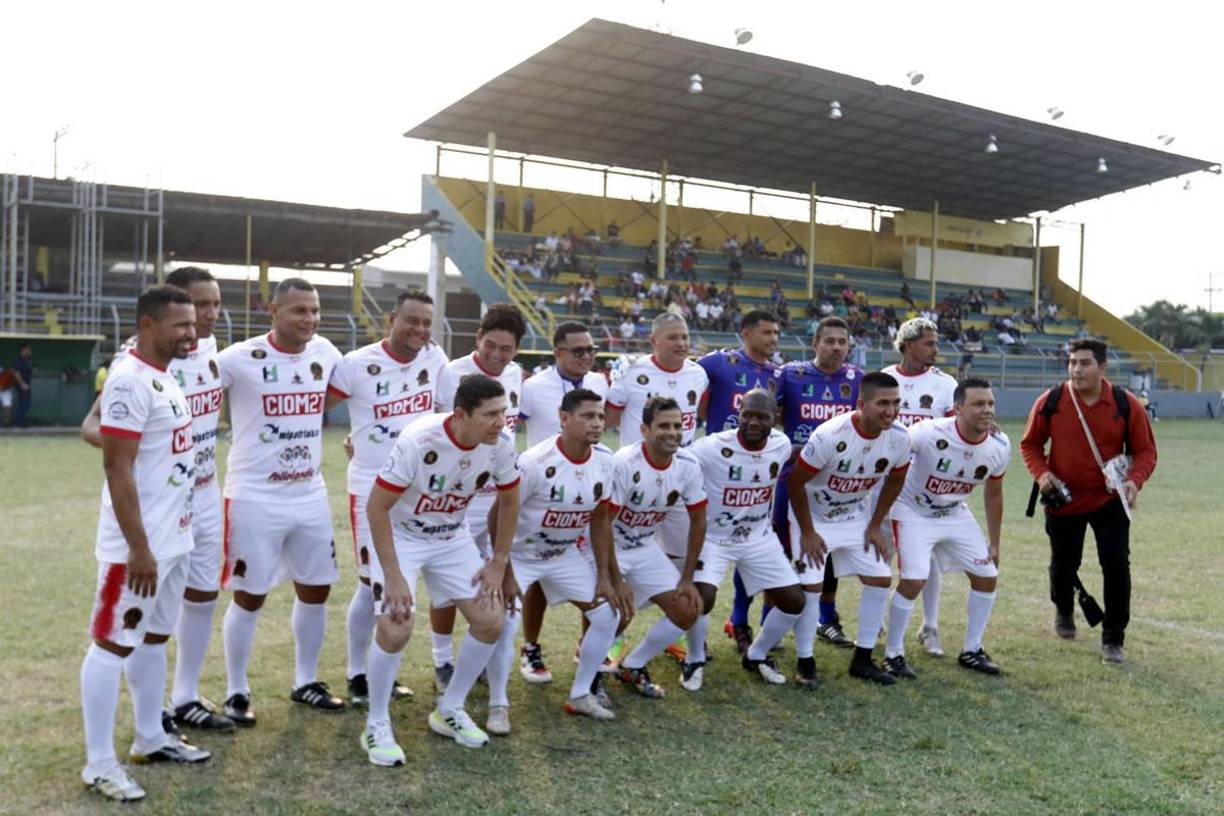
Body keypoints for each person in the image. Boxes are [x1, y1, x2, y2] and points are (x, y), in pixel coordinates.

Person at [82, 267, 235, 732]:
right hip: (154, 502)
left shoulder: (207, 352)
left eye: (213, 305)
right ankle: (134, 733)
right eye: (196, 306)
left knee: (201, 596)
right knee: (123, 629)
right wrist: (134, 447)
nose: (206, 317)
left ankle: (183, 696)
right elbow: (95, 426)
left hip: (200, 498)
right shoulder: (135, 363)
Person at [80, 285, 209, 803]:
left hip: (172, 539)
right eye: (180, 324)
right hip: (137, 547)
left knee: (154, 638)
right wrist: (138, 547)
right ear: (148, 326)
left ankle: (151, 736)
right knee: (112, 643)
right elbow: (117, 464)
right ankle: (98, 763)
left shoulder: (163, 375)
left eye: (193, 322)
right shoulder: (130, 380)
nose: (191, 332)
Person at [361, 375, 520, 762]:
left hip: (451, 537)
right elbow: (376, 508)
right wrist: (395, 574)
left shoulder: (501, 444)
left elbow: (511, 501)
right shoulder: (420, 440)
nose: (501, 422)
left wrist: (498, 562)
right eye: (491, 414)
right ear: (461, 414)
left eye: (504, 412)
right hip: (403, 536)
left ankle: (449, 709)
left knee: (490, 619)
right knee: (397, 625)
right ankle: (376, 723)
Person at [216, 278, 346, 725]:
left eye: (314, 310)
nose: (309, 319)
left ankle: (305, 681)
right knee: (250, 594)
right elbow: (198, 392)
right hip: (254, 495)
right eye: (299, 311)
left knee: (316, 588)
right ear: (274, 311)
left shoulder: (326, 353)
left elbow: (339, 397)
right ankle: (236, 691)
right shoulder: (237, 358)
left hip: (308, 492)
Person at [325, 290, 448, 708]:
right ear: (391, 319)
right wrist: (354, 437)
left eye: (427, 323)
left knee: (400, 582)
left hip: (420, 490)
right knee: (369, 584)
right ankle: (357, 673)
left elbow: (446, 412)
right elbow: (316, 409)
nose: (420, 330)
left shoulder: (436, 359)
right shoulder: (356, 364)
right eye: (412, 320)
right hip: (371, 488)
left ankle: (381, 673)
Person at [485, 389, 632, 733]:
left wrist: (606, 576)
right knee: (503, 623)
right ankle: (498, 704)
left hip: (563, 553)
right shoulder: (536, 461)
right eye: (588, 416)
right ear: (564, 419)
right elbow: (498, 515)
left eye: (600, 416)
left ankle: (581, 694)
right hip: (520, 555)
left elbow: (599, 519)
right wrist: (503, 569)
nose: (597, 423)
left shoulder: (605, 461)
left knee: (608, 614)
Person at [1020, 338, 1157, 665]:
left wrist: (1135, 482)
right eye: (1072, 363)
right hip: (1063, 499)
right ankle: (1064, 609)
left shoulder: (1126, 404)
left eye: (1084, 363)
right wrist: (1042, 475)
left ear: (1102, 367)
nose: (1076, 369)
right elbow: (1031, 445)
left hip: (1109, 501)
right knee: (1064, 565)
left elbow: (1146, 451)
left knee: (1116, 565)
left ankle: (1113, 638)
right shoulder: (1051, 401)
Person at [786, 372, 912, 686]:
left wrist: (873, 524)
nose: (891, 411)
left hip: (853, 518)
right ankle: (805, 661)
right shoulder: (831, 434)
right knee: (811, 586)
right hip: (812, 518)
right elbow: (796, 482)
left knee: (880, 578)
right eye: (883, 403)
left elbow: (895, 481)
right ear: (861, 404)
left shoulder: (899, 437)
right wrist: (807, 532)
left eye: (896, 403)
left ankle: (863, 659)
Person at [883, 378, 1009, 679]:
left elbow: (994, 494)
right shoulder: (929, 432)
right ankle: (892, 653)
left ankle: (972, 649)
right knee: (913, 579)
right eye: (978, 404)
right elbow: (894, 443)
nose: (987, 410)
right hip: (913, 511)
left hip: (954, 513)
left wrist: (995, 543)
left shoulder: (1000, 445)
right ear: (958, 408)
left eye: (990, 404)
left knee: (987, 575)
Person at [429, 304, 526, 691]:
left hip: (497, 498)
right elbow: (437, 432)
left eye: (506, 348)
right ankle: (441, 661)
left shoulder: (516, 376)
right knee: (447, 588)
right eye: (491, 346)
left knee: (493, 579)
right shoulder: (452, 374)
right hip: (458, 498)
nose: (497, 356)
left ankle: (482, 660)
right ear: (477, 339)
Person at [763, 317, 864, 659]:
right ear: (815, 344)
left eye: (842, 341)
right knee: (778, 551)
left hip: (837, 483)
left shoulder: (857, 380)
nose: (837, 346)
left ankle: (827, 618)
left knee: (830, 552)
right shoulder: (791, 374)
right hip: (791, 478)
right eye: (830, 340)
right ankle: (769, 622)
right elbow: (768, 414)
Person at [515, 322, 610, 683]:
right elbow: (510, 425)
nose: (586, 357)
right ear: (557, 353)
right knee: (538, 574)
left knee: (591, 568)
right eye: (578, 351)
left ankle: (588, 647)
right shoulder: (534, 387)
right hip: (544, 498)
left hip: (587, 491)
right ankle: (531, 647)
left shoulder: (600, 383)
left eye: (591, 350)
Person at [688, 389, 801, 686]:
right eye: (747, 415)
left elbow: (802, 454)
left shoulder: (781, 443)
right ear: (738, 415)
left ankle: (757, 655)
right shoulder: (711, 447)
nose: (752, 422)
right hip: (714, 537)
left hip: (758, 537)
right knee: (702, 599)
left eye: (761, 417)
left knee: (793, 601)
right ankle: (694, 658)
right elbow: (680, 464)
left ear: (775, 420)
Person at [603, 397, 708, 695]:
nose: (672, 432)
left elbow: (699, 521)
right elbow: (602, 525)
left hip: (645, 547)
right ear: (645, 429)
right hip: (611, 546)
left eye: (678, 425)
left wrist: (687, 579)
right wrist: (615, 578)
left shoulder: (687, 465)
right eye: (663, 425)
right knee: (611, 613)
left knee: (687, 609)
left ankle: (633, 666)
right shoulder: (624, 462)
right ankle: (592, 676)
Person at [696, 311, 787, 651]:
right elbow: (692, 393)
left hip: (755, 470)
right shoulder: (718, 363)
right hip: (715, 469)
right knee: (700, 552)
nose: (774, 339)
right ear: (745, 333)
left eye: (777, 332)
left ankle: (739, 620)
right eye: (767, 332)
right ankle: (693, 634)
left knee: (749, 539)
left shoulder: (780, 374)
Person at [882, 317, 958, 659]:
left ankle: (929, 627)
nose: (935, 349)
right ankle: (879, 618)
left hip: (924, 488)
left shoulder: (946, 384)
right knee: (881, 553)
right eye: (929, 343)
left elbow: (957, 430)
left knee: (926, 559)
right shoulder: (885, 379)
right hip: (884, 482)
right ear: (908, 345)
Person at [12, 342, 33, 427]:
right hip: (21, 385)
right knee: (22, 403)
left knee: (26, 404)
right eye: (29, 349)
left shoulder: (27, 360)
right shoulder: (19, 360)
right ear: (24, 349)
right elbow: (16, 372)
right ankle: (18, 422)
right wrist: (22, 384)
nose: (30, 351)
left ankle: (23, 421)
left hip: (27, 384)